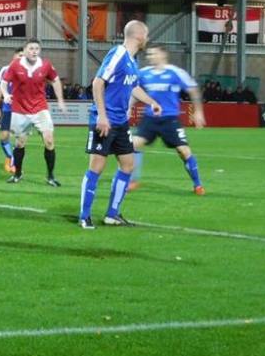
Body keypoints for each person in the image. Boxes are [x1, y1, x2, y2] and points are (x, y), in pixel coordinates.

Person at [78, 21, 162, 229]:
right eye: (146, 35)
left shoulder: (132, 61)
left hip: (121, 123)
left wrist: (151, 102)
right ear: (139, 36)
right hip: (104, 121)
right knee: (96, 167)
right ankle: (84, 216)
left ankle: (112, 214)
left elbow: (134, 88)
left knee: (128, 165)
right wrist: (102, 116)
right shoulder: (118, 54)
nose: (148, 38)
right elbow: (98, 82)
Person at [130, 45, 205, 194]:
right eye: (149, 54)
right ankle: (132, 180)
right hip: (150, 118)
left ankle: (197, 184)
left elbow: (193, 90)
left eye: (153, 54)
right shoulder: (143, 73)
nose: (150, 57)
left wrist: (198, 112)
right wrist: (128, 107)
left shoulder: (176, 72)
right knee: (133, 145)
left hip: (170, 119)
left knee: (184, 151)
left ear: (163, 55)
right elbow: (134, 91)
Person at [0, 38, 66, 186]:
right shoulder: (15, 65)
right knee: (20, 143)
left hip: (40, 108)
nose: (34, 51)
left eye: (36, 48)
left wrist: (60, 99)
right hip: (20, 110)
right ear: (24, 51)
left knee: (49, 140)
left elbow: (55, 80)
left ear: (39, 50)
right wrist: (5, 94)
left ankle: (50, 176)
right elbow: (4, 84)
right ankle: (17, 174)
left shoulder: (46, 65)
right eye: (31, 48)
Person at [0, 47, 23, 174]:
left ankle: (14, 164)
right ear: (14, 56)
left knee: (20, 139)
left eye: (23, 56)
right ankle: (9, 156)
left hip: (21, 110)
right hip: (7, 109)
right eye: (19, 55)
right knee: (4, 136)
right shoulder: (5, 69)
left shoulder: (26, 72)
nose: (21, 58)